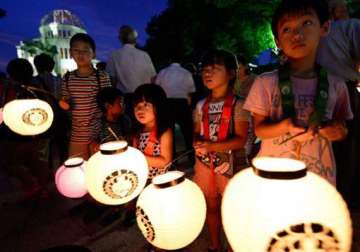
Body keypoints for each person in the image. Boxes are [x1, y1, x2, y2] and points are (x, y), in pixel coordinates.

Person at [244, 0, 353, 186]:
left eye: (306, 23)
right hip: (274, 178)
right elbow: (259, 129)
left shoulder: (336, 83)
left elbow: (342, 127)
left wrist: (336, 131)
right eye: (287, 29)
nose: (296, 34)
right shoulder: (265, 82)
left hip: (319, 179)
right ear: (278, 41)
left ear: (324, 27)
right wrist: (285, 126)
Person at [193, 49, 249, 252]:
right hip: (205, 164)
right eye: (204, 70)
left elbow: (240, 140)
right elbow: (196, 132)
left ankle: (236, 245)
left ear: (231, 73)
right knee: (212, 204)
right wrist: (197, 143)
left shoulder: (239, 104)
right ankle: (215, 244)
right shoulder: (200, 105)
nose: (207, 73)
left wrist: (211, 146)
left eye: (214, 69)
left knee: (233, 207)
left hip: (232, 165)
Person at [0, 58, 51, 199]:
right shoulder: (38, 86)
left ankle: (33, 185)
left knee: (12, 162)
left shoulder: (13, 89)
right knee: (37, 161)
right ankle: (39, 187)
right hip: (38, 131)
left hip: (19, 134)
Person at [59, 33, 111, 160]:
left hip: (98, 133)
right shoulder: (67, 78)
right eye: (76, 50)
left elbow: (109, 102)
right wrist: (64, 104)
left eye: (85, 50)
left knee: (99, 169)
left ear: (93, 54)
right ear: (71, 52)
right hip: (77, 135)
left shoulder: (101, 77)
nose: (80, 54)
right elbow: (66, 101)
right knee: (78, 169)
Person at [155, 58, 195, 156]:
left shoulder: (162, 72)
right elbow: (191, 91)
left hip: (167, 103)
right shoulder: (186, 73)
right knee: (188, 132)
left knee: (169, 133)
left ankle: (171, 159)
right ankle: (192, 156)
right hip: (182, 102)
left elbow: (156, 88)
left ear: (169, 61)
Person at [132, 84, 173, 180]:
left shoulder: (164, 132)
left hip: (161, 180)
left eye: (146, 105)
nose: (140, 110)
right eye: (136, 105)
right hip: (141, 179)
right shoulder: (137, 132)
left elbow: (165, 161)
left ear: (158, 106)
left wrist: (138, 157)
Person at [106, 25, 156, 93]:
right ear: (135, 39)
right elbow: (153, 78)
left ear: (120, 38)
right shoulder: (145, 55)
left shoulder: (114, 56)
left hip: (125, 98)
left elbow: (112, 81)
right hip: (145, 97)